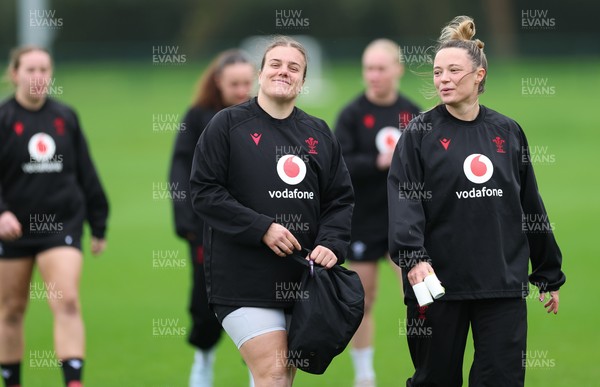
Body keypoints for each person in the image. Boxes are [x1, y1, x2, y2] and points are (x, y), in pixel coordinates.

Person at [388, 16, 565, 387]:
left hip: (500, 283)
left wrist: (548, 271)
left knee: (501, 379)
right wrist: (414, 259)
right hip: (435, 285)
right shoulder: (418, 134)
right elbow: (405, 200)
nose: (443, 79)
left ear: (479, 75)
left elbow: (530, 204)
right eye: (438, 72)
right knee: (434, 380)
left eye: (454, 70)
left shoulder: (507, 131)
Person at [189, 36, 354, 387]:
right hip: (242, 280)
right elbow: (204, 192)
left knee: (280, 377)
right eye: (275, 64)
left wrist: (331, 243)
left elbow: (339, 200)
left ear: (304, 81)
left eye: (294, 67)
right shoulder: (226, 125)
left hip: (301, 279)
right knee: (274, 373)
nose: (284, 71)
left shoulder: (319, 134)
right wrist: (262, 227)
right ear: (260, 74)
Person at [0, 46, 109, 387]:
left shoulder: (66, 116)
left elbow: (85, 172)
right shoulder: (3, 118)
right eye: (30, 69)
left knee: (68, 300)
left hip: (61, 224)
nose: (38, 77)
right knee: (11, 309)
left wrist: (99, 222)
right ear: (14, 74)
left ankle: (73, 382)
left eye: (44, 69)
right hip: (12, 231)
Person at [334, 38, 421, 387]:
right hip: (363, 220)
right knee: (363, 298)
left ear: (397, 69)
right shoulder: (352, 114)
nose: (373, 75)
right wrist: (377, 162)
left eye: (381, 68)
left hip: (404, 221)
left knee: (416, 297)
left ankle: (427, 367)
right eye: (368, 68)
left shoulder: (413, 114)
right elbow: (338, 165)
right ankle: (364, 375)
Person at [169, 49, 255, 387]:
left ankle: (257, 368)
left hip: (253, 229)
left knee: (256, 300)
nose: (241, 90)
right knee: (205, 302)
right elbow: (179, 170)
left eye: (247, 82)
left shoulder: (259, 116)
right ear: (219, 81)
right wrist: (186, 222)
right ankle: (203, 358)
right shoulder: (198, 116)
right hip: (207, 229)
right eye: (234, 83)